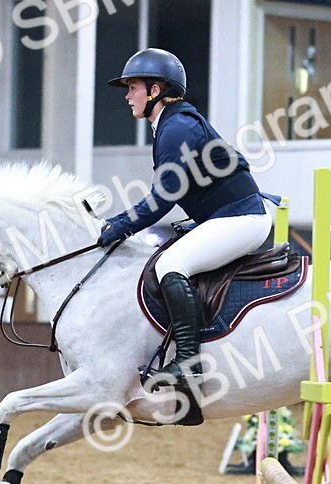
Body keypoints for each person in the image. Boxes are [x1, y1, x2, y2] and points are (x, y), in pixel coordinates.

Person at [98, 48, 278, 389]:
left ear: (155, 91)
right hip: (227, 217)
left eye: (132, 87)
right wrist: (118, 220)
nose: (127, 96)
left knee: (170, 265)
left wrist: (120, 225)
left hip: (242, 218)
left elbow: (163, 199)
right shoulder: (171, 124)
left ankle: (189, 363)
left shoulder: (177, 128)